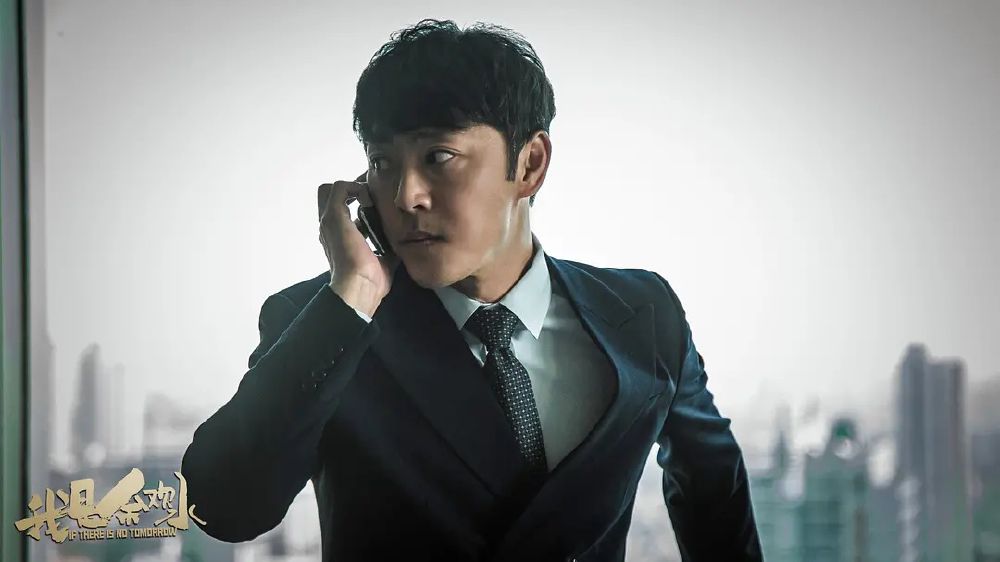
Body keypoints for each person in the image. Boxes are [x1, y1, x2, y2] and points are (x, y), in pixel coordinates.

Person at [181, 18, 763, 562]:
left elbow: (714, 490)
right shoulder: (326, 326)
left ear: (530, 165)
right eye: (382, 164)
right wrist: (353, 294)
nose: (406, 195)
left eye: (439, 156)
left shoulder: (644, 314)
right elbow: (223, 507)